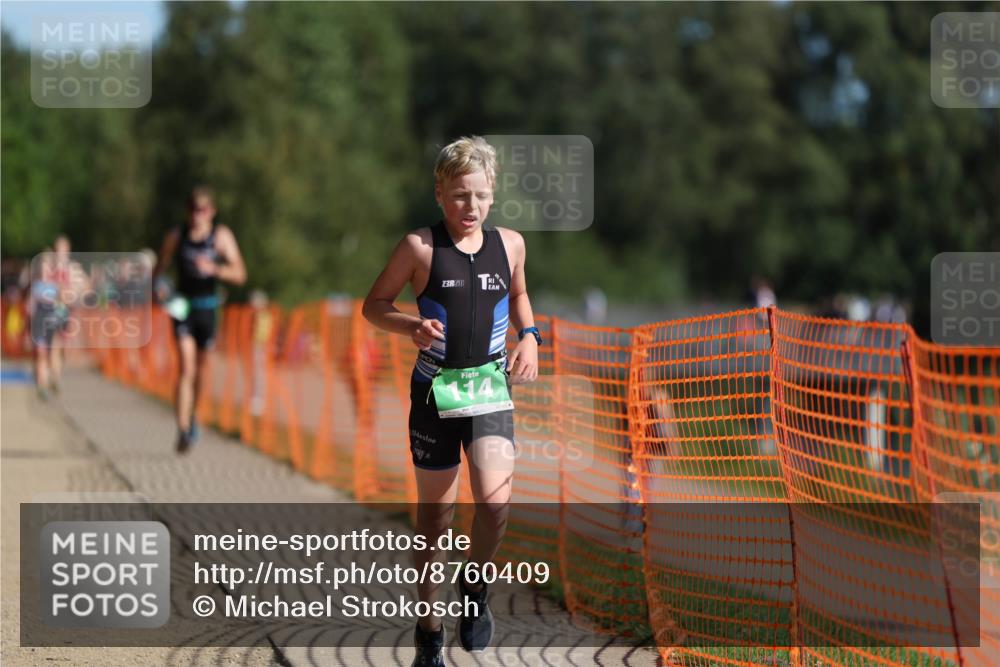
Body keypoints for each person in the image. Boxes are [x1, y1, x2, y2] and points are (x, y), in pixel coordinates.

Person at [362, 136, 539, 666]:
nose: (471, 207)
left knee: (495, 505)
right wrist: (410, 325)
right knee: (435, 519)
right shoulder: (419, 247)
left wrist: (531, 336)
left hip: (489, 388)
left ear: (493, 195)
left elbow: (520, 294)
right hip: (434, 395)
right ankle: (429, 632)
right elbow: (374, 305)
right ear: (439, 193)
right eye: (460, 195)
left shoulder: (510, 245)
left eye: (481, 195)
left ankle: (476, 585)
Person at [153, 186, 247, 453]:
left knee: (201, 371)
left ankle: (193, 415)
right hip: (182, 305)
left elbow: (240, 274)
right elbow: (159, 268)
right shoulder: (176, 235)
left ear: (212, 212)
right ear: (188, 211)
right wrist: (158, 287)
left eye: (203, 210)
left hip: (207, 307)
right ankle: (182, 428)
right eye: (194, 210)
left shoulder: (220, 237)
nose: (198, 215)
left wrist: (215, 269)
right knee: (186, 367)